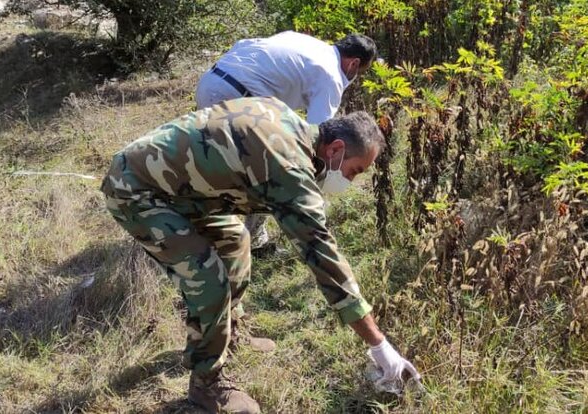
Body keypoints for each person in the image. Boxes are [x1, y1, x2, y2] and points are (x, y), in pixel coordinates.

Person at [100, 97, 421, 413]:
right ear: (335, 149)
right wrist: (380, 346)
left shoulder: (289, 123)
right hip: (137, 191)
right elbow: (322, 256)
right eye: (354, 171)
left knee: (236, 242)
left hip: (181, 191)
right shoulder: (289, 165)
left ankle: (227, 334)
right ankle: (206, 385)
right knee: (208, 280)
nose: (350, 181)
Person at [195, 31, 378, 252]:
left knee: (225, 167)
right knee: (269, 169)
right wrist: (314, 195)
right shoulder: (330, 75)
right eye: (359, 72)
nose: (354, 77)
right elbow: (320, 139)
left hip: (211, 83)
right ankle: (242, 242)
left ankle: (216, 230)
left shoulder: (307, 43)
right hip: (238, 98)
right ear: (353, 63)